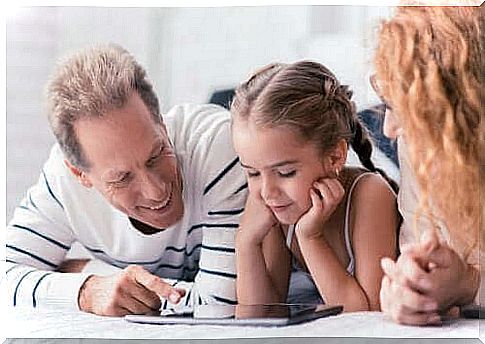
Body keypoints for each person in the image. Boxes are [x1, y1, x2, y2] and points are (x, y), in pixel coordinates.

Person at [4, 44, 248, 316]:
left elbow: (220, 308)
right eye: (122, 178)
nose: (156, 191)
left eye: (156, 155)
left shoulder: (217, 145)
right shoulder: (62, 182)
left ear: (162, 124)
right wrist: (89, 290)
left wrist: (84, 268)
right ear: (80, 174)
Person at [231, 61, 400, 311]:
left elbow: (367, 317)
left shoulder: (370, 194)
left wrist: (310, 237)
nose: (267, 191)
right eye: (252, 173)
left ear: (335, 157)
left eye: (285, 172)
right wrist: (246, 244)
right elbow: (259, 317)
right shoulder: (276, 204)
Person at [372, 5, 481, 325]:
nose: (389, 129)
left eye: (399, 105)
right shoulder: (421, 146)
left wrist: (471, 284)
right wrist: (408, 285)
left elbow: (466, 282)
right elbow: (418, 249)